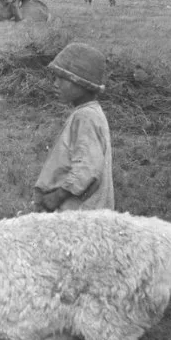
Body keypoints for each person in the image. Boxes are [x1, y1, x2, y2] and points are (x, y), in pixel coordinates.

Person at [34, 42, 115, 212]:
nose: (55, 84)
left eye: (61, 79)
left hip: (79, 216)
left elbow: (87, 168)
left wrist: (57, 197)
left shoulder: (85, 117)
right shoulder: (88, 113)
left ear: (81, 83)